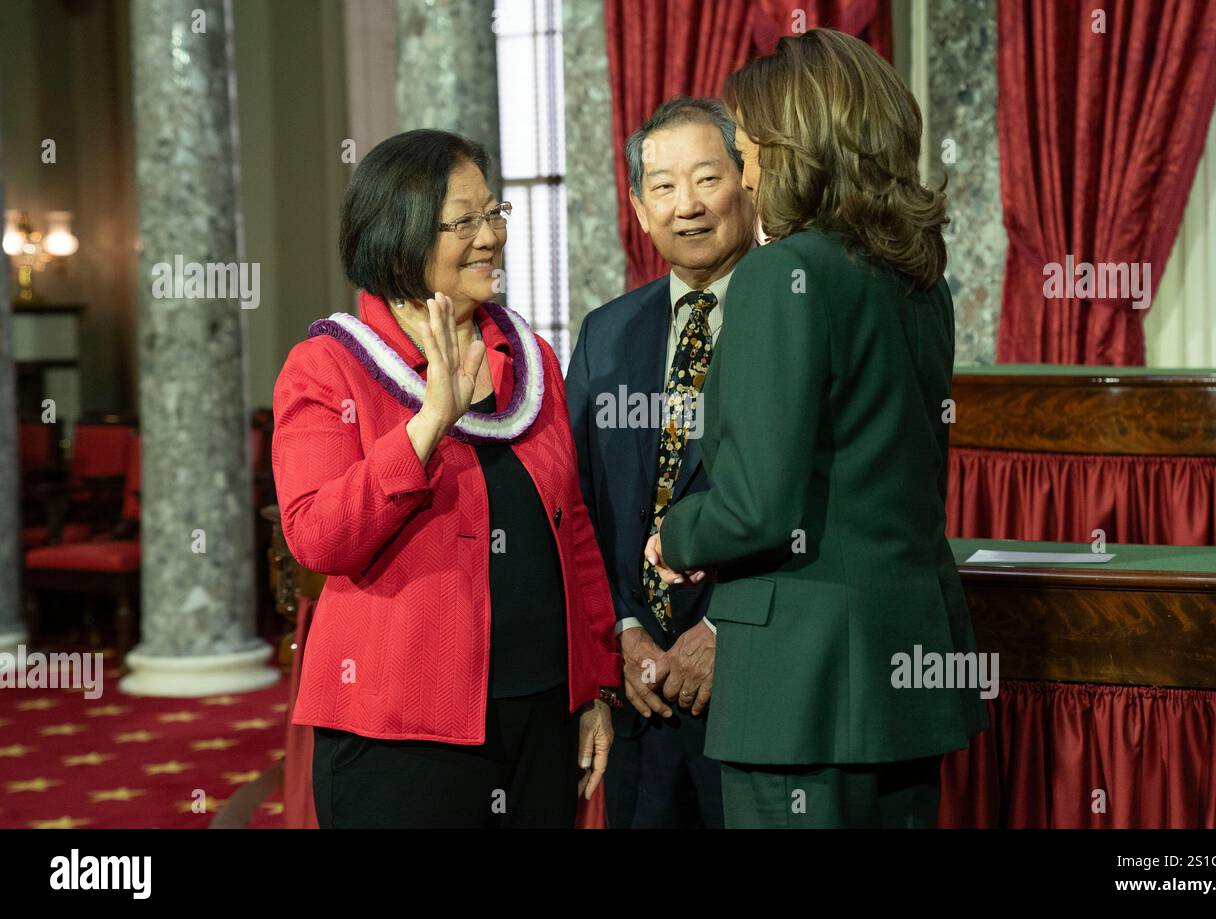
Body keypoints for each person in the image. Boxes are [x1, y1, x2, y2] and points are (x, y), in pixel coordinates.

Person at [646, 29, 989, 828]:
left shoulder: (781, 274)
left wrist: (676, 535)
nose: (747, 169)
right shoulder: (917, 279)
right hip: (904, 672)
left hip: (806, 689)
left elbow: (757, 508)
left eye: (749, 146)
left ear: (796, 146)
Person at [272, 128, 621, 828]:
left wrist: (595, 687)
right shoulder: (328, 366)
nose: (490, 236)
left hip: (542, 717)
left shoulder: (530, 357)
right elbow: (317, 537)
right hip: (401, 736)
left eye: (494, 214)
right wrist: (428, 424)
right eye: (465, 221)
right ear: (398, 236)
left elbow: (574, 526)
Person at [567, 97, 755, 828]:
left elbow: (819, 500)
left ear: (747, 182)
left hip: (751, 689)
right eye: (664, 187)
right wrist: (621, 631)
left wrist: (722, 632)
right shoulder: (607, 332)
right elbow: (580, 502)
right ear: (639, 208)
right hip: (637, 694)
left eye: (706, 178)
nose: (688, 206)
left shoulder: (797, 316)